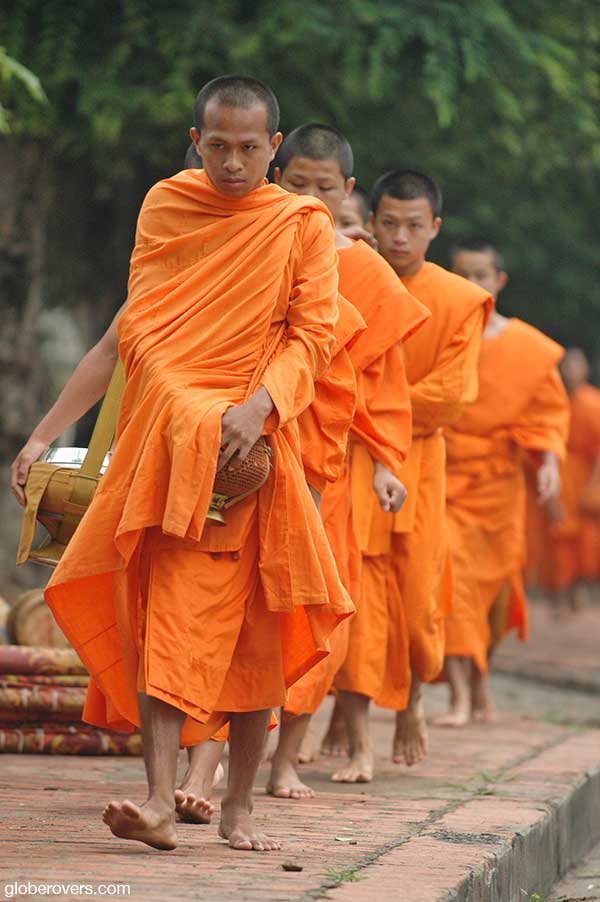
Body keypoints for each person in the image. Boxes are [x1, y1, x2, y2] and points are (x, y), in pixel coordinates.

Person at [11, 75, 354, 853]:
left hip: (254, 453)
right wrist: (44, 437)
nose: (232, 164)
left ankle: (237, 808)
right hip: (171, 452)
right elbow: (140, 333)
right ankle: (161, 800)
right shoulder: (168, 205)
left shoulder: (299, 220)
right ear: (195, 142)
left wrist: (259, 406)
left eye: (249, 148)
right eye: (218, 146)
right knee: (166, 620)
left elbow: (315, 335)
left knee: (252, 638)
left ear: (275, 146)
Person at [176, 124, 430, 799]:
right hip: (244, 448)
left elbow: (378, 379)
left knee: (302, 611)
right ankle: (207, 763)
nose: (312, 197)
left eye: (327, 187)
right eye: (298, 184)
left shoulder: (368, 270)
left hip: (323, 467)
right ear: (276, 179)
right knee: (227, 606)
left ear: (347, 190)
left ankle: (285, 760)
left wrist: (382, 461)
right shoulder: (254, 236)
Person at [327, 170, 493, 771]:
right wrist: (361, 412)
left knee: (418, 602)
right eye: (388, 224)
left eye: (414, 226)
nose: (399, 237)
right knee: (357, 598)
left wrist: (365, 406)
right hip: (352, 458)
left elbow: (450, 397)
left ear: (435, 229)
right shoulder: (345, 280)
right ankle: (360, 741)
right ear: (370, 224)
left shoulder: (457, 300)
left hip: (419, 463)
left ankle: (412, 704)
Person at [436, 239, 569, 726]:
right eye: (462, 275)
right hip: (446, 478)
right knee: (451, 581)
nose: (472, 285)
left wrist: (550, 461)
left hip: (499, 485)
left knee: (492, 594)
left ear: (500, 280)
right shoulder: (439, 334)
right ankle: (456, 696)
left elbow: (549, 413)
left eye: (481, 275)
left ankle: (482, 682)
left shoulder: (528, 348)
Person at [527, 348, 600, 614]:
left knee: (583, 537)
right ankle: (557, 592)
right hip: (555, 467)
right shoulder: (553, 398)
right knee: (555, 533)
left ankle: (577, 589)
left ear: (586, 370)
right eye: (567, 366)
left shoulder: (593, 402)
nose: (571, 372)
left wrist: (594, 485)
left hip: (583, 476)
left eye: (576, 366)